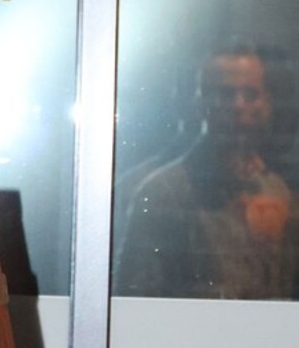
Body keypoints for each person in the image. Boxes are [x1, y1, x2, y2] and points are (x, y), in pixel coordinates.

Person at [116, 50, 294, 299]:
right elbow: (134, 298)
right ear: (201, 103)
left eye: (250, 94)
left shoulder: (276, 191)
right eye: (225, 94)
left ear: (266, 104)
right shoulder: (161, 194)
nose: (238, 105)